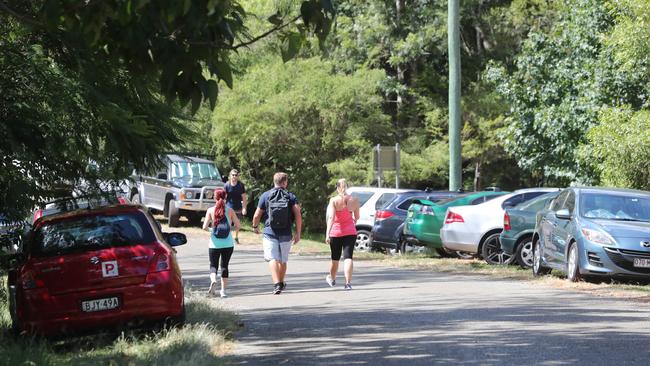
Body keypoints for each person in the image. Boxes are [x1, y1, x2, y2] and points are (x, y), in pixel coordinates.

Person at [251, 172, 302, 295]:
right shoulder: (291, 196)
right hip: (286, 233)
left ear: (274, 181)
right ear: (285, 182)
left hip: (270, 232)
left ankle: (277, 284)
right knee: (283, 260)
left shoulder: (266, 195)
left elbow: (257, 214)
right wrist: (298, 232)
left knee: (272, 258)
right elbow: (298, 215)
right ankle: (281, 281)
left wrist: (255, 226)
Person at [203, 188, 241, 298]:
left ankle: (213, 279)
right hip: (228, 244)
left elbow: (204, 227)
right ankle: (223, 291)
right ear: (225, 197)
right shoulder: (230, 210)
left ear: (214, 198)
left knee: (213, 265)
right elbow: (238, 226)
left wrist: (213, 230)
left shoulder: (210, 210)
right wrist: (229, 229)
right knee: (225, 266)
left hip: (214, 244)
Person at [325, 179, 359, 290]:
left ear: (337, 188)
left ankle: (332, 278)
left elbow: (331, 218)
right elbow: (357, 216)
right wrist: (353, 221)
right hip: (350, 231)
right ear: (347, 186)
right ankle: (348, 283)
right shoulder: (354, 200)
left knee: (335, 258)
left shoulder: (333, 200)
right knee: (348, 257)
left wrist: (327, 234)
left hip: (336, 232)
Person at [224, 169, 247, 244]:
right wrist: (222, 207)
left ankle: (236, 237)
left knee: (238, 225)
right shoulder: (227, 185)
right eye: (233, 175)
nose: (234, 176)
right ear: (230, 176)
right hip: (229, 207)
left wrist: (244, 208)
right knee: (228, 223)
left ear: (238, 176)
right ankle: (228, 237)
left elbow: (244, 197)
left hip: (238, 208)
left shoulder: (241, 185)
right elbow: (224, 197)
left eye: (236, 175)